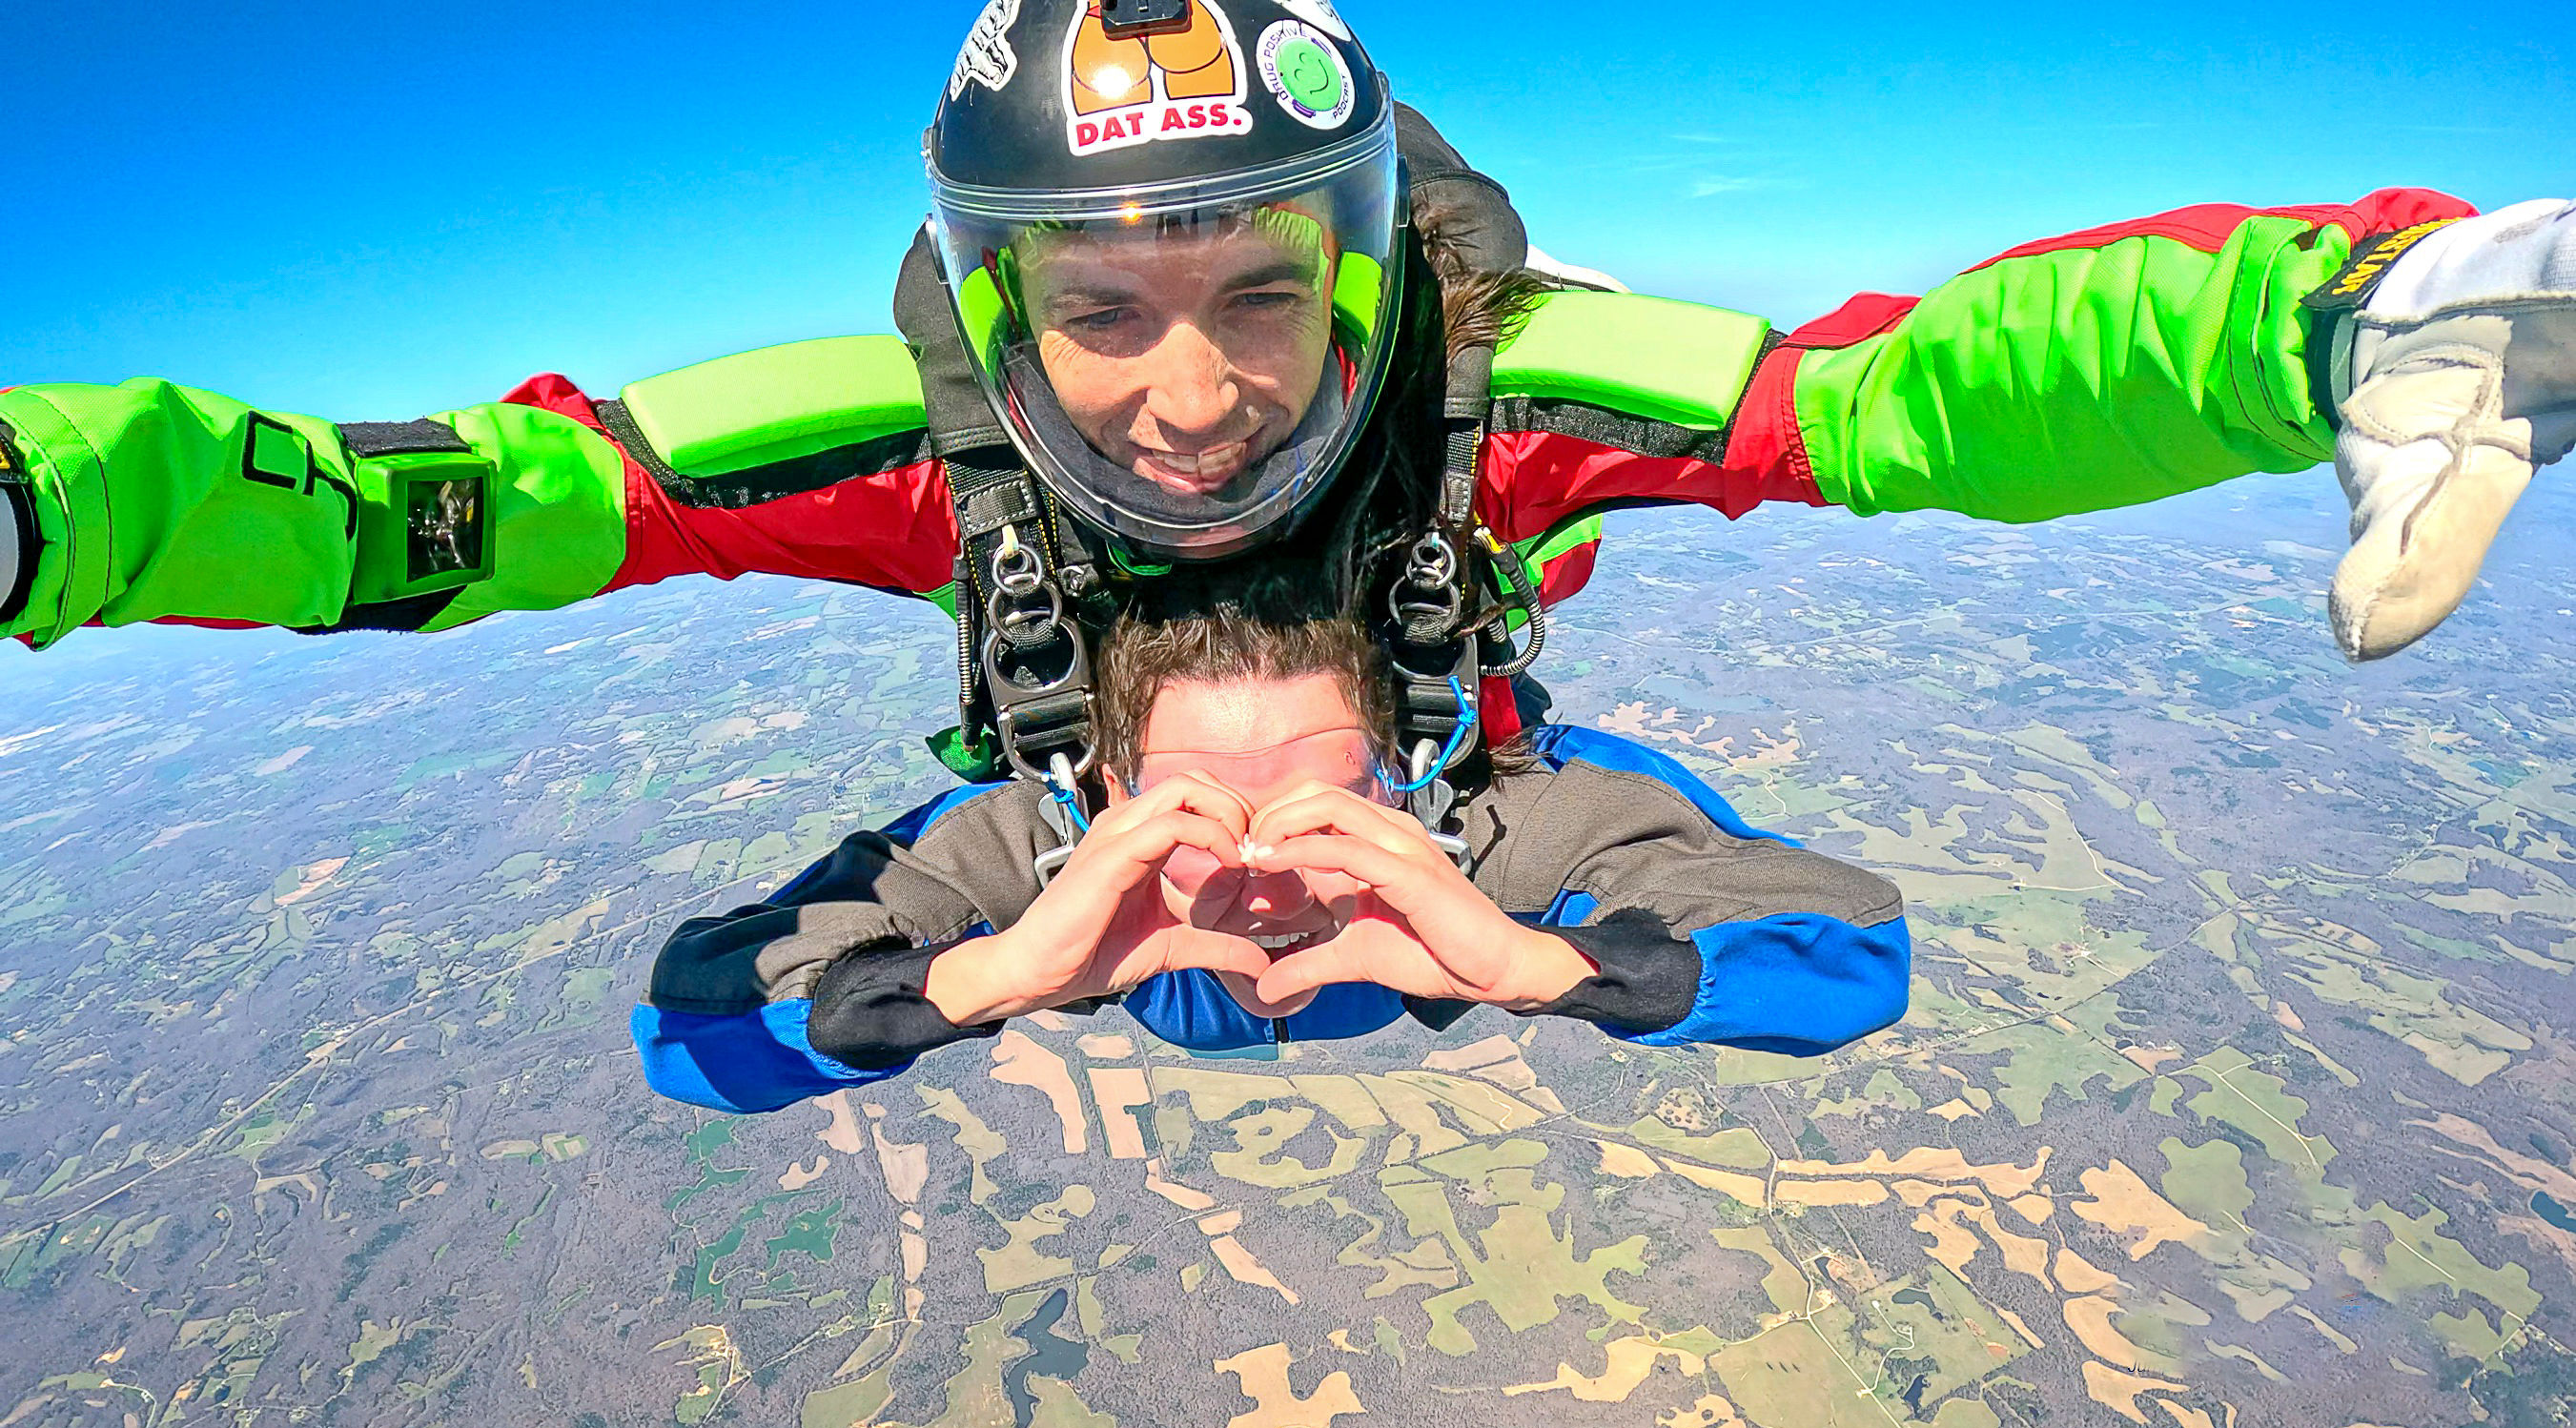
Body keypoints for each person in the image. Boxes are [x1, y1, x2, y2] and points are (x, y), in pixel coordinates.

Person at [3, 0, 2569, 797]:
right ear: (991, 318)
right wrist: (59, 508)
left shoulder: (1506, 388)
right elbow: (445, 505)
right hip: (1082, 822)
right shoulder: (904, 444)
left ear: (1373, 267)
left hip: (1434, 777)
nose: (1197, 393)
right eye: (1098, 311)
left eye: (1261, 291)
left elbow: (1896, 404)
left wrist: (2340, 318)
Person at [634, 579, 1909, 1113]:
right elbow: (688, 1034)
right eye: (1187, 818)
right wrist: (991, 975)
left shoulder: (1493, 829)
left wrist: (1534, 963)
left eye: (1324, 812)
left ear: (1402, 776)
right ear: (1108, 787)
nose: (1260, 876)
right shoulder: (1035, 845)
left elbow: (1858, 948)